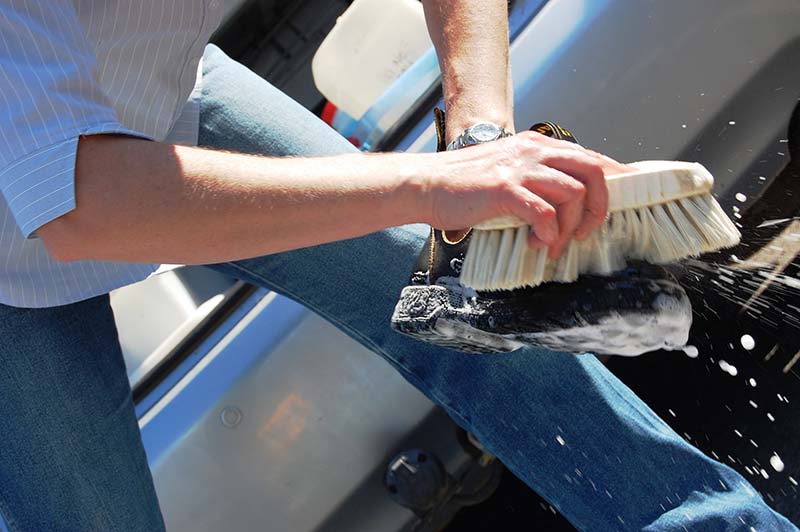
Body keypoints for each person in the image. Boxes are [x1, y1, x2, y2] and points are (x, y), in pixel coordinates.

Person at [0, 0, 794, 530]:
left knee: (473, 314)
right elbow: (76, 195)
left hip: (157, 91)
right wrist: (429, 186)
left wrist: (480, 138)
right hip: (23, 251)